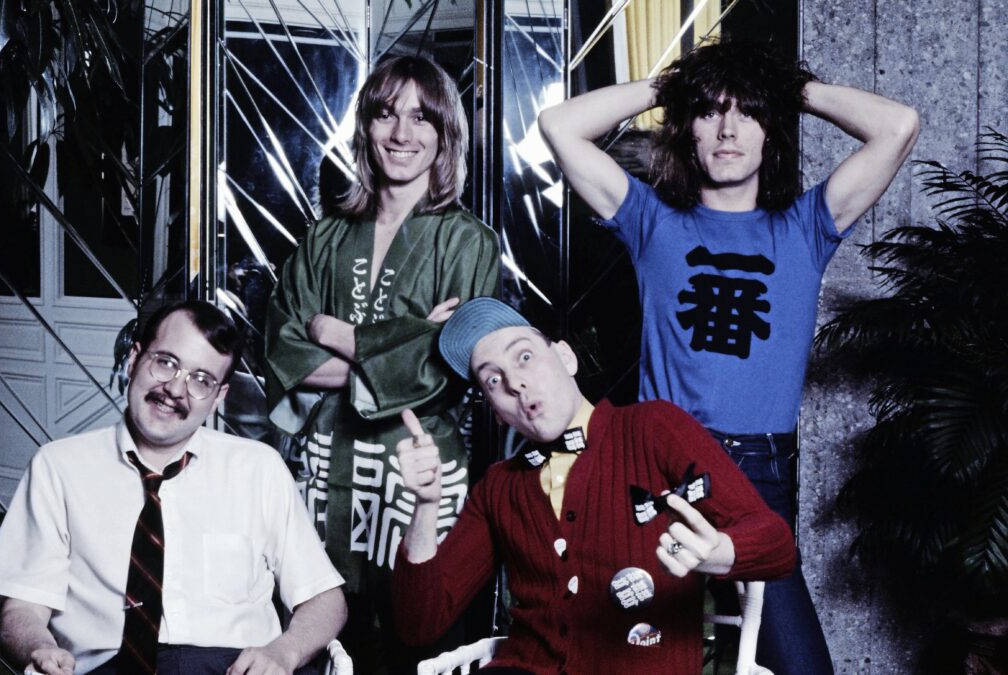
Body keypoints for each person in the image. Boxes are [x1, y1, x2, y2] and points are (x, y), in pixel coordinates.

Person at [537, 39, 920, 673]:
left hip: (757, 474)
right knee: (631, 658)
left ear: (771, 131)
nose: (728, 128)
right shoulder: (651, 221)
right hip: (658, 469)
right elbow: (559, 125)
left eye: (747, 113)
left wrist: (784, 89)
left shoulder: (806, 226)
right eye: (711, 111)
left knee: (799, 666)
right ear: (687, 129)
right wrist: (675, 85)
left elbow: (898, 125)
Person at [391, 296, 797, 673]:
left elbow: (776, 545)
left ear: (565, 357)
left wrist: (717, 551)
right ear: (496, 412)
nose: (515, 383)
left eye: (525, 357)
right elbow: (420, 625)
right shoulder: (498, 487)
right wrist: (425, 505)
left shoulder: (654, 427)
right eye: (493, 381)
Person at [263, 55, 500, 671]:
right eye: (386, 114)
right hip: (327, 464)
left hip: (417, 469)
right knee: (320, 631)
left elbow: (450, 365)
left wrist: (335, 332)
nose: (401, 133)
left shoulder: (467, 241)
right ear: (365, 127)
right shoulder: (326, 236)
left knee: (417, 634)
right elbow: (284, 352)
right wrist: (409, 340)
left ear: (445, 134)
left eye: (422, 118)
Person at [0, 301, 347, 675]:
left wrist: (285, 652)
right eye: (166, 363)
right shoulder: (57, 467)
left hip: (233, 667)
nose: (175, 389)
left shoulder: (259, 469)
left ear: (218, 397)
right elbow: (24, 607)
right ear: (134, 359)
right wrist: (39, 647)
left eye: (201, 380)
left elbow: (326, 598)